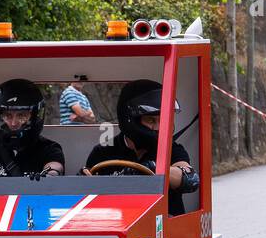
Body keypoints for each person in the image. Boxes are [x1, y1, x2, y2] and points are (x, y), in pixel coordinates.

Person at [83, 79, 198, 216]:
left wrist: (152, 169)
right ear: (130, 120)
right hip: (119, 223)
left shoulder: (171, 149)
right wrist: (83, 180)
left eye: (163, 120)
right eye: (151, 120)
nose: (158, 128)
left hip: (164, 227)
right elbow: (89, 199)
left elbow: (190, 179)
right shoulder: (103, 152)